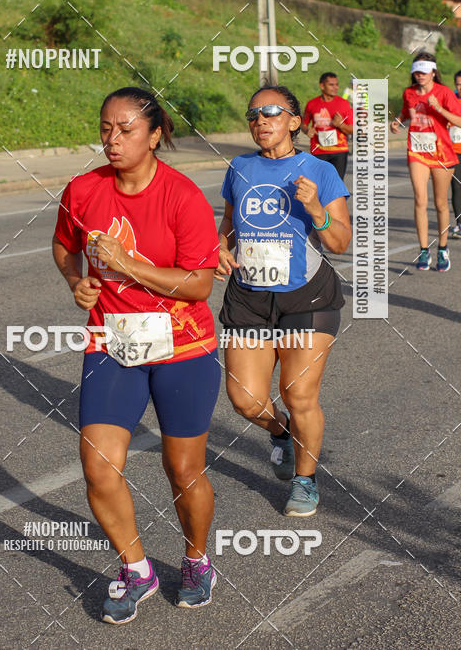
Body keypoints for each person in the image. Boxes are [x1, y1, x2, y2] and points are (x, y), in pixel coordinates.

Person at [52, 87, 220, 625]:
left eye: (126, 129)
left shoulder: (182, 196)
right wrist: (77, 281)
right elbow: (63, 244)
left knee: (183, 470)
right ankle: (137, 569)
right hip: (112, 342)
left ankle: (196, 560)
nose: (113, 139)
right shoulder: (82, 190)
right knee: (99, 469)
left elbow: (199, 285)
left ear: (154, 135)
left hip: (183, 347)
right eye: (105, 128)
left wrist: (126, 265)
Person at [215, 84, 351, 517]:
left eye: (272, 113)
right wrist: (220, 247)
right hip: (250, 296)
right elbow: (228, 223)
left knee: (298, 394)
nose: (261, 121)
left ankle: (306, 481)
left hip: (307, 296)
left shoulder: (320, 171)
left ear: (294, 121)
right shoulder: (239, 168)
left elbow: (341, 241)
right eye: (253, 114)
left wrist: (316, 209)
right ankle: (282, 436)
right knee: (245, 399)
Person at [390, 52, 461, 271]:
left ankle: (442, 248)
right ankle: (423, 250)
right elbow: (405, 111)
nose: (420, 75)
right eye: (416, 72)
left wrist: (438, 107)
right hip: (417, 151)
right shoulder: (409, 93)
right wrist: (398, 122)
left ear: (433, 72)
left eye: (424, 71)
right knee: (420, 199)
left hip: (442, 153)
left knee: (440, 203)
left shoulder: (444, 92)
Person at [301, 72, 354, 179]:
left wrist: (340, 125)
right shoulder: (312, 104)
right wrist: (307, 131)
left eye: (337, 84)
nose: (336, 88)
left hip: (339, 151)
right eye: (331, 85)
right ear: (322, 86)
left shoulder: (344, 104)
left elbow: (352, 129)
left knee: (336, 184)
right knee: (319, 184)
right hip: (318, 150)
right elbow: (303, 123)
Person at [450, 69, 461, 238]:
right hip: (454, 150)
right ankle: (459, 223)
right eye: (458, 84)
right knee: (457, 187)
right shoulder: (449, 100)